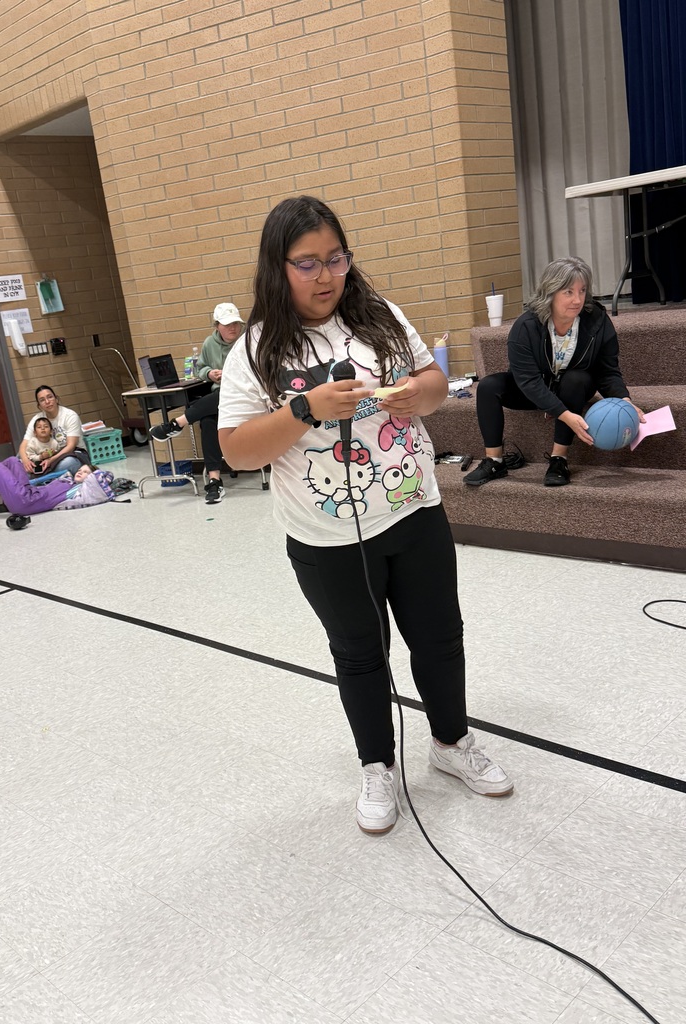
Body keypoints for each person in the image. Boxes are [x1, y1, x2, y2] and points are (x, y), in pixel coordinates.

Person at [217, 195, 513, 836]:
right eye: (306, 264)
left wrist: (417, 393)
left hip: (414, 511)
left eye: (335, 258)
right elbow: (237, 451)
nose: (325, 276)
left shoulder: (379, 317)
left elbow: (436, 385)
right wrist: (304, 410)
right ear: (278, 268)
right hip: (326, 535)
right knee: (359, 654)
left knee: (440, 637)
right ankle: (377, 764)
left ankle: (451, 742)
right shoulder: (255, 350)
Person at [463, 256, 646, 488]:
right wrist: (563, 413)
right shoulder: (526, 326)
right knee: (489, 386)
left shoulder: (597, 321)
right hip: (536, 389)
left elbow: (607, 371)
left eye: (582, 290)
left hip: (573, 389)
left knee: (576, 378)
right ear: (550, 292)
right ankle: (494, 460)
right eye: (568, 292)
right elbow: (527, 381)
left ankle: (559, 459)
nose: (577, 299)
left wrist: (624, 400)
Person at [149, 302, 245, 505]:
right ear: (217, 325)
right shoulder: (210, 343)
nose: (233, 328)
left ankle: (177, 424)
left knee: (222, 397)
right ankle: (214, 481)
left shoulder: (248, 342)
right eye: (227, 324)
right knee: (208, 421)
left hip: (243, 395)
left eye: (236, 323)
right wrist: (210, 373)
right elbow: (200, 368)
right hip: (219, 397)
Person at [0, 458, 111, 516]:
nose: (80, 472)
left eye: (86, 472)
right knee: (12, 460)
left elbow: (103, 476)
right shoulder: (68, 481)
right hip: (28, 492)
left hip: (26, 502)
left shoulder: (82, 492)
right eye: (80, 470)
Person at [18, 385, 88, 477]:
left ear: (56, 399)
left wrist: (51, 460)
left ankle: (37, 477)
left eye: (50, 397)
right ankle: (42, 476)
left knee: (69, 463)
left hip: (72, 454)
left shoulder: (70, 415)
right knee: (19, 458)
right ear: (39, 405)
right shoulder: (37, 419)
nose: (47, 402)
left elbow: (70, 446)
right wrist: (26, 461)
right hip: (44, 457)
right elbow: (23, 445)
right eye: (42, 400)